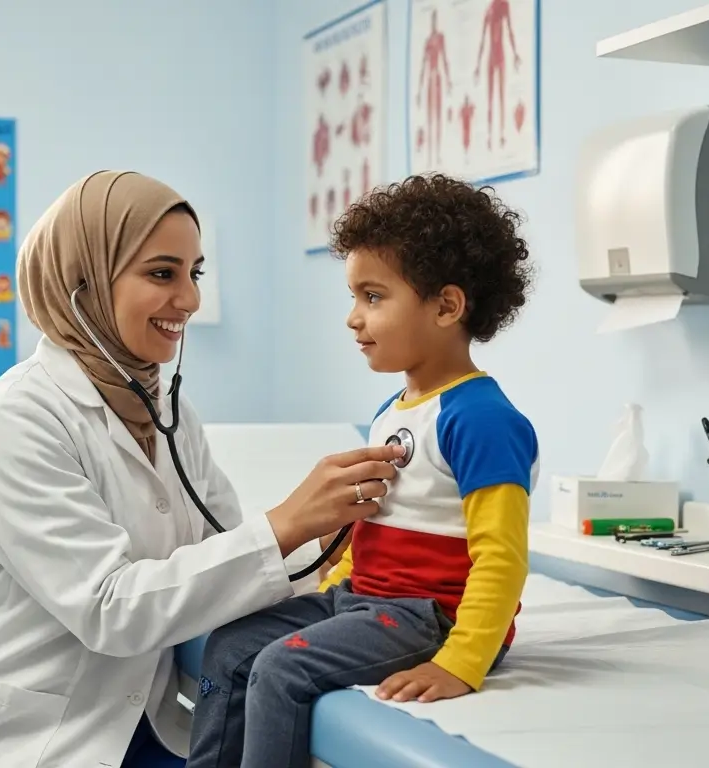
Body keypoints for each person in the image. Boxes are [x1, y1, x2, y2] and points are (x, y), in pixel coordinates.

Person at [0, 170, 405, 768]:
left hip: (137, 722)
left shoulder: (169, 413)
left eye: (195, 274)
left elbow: (225, 552)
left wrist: (333, 551)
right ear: (84, 283)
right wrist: (287, 524)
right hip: (20, 734)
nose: (189, 299)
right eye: (163, 273)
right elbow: (108, 608)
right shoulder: (17, 418)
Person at [186, 173, 539, 768]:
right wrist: (334, 591)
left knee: (279, 668)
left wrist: (460, 662)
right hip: (363, 601)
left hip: (430, 618)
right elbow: (371, 524)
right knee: (230, 645)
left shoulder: (482, 419)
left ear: (446, 306)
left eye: (373, 297)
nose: (353, 318)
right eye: (354, 298)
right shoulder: (391, 413)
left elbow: (502, 557)